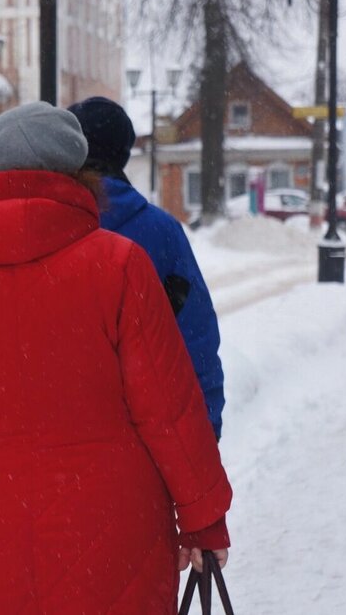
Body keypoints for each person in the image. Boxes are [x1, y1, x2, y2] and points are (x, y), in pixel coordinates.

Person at [0, 102, 232, 613]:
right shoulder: (118, 266)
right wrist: (203, 516)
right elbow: (168, 408)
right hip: (117, 539)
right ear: (79, 175)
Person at [68, 96, 227, 440]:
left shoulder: (41, 223)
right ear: (123, 153)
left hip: (52, 447)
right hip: (139, 439)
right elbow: (194, 336)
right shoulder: (160, 231)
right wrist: (204, 429)